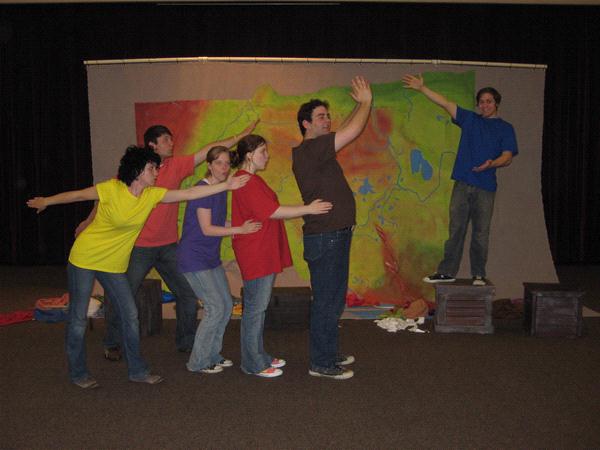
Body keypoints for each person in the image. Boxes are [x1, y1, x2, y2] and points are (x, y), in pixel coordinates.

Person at [27, 146, 249, 389]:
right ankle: (78, 372)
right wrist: (46, 201)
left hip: (113, 265)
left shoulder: (151, 195)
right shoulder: (112, 189)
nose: (156, 172)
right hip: (84, 258)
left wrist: (226, 186)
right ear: (137, 171)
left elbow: (190, 194)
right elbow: (78, 195)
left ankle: (137, 370)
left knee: (131, 314)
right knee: (78, 319)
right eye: (152, 168)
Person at [77, 121, 257, 359]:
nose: (171, 143)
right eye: (166, 140)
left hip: (169, 246)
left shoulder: (177, 165)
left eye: (171, 139)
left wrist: (241, 135)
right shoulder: (135, 171)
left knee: (187, 294)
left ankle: (187, 342)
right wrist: (88, 221)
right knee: (122, 295)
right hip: (140, 247)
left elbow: (208, 150)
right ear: (152, 144)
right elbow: (105, 197)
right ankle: (112, 342)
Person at [231, 134, 333, 378]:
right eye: (263, 151)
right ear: (249, 155)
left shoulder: (250, 180)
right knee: (255, 309)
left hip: (261, 250)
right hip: (255, 253)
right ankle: (252, 363)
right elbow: (273, 211)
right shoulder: (245, 181)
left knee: (259, 307)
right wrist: (307, 209)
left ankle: (259, 355)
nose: (267, 156)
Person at [402, 74, 518, 286]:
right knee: (456, 229)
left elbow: (508, 157)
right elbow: (445, 103)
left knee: (481, 233)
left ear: (497, 104)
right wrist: (421, 88)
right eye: (481, 102)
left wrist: (491, 164)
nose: (484, 105)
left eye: (489, 101)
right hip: (462, 184)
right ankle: (446, 272)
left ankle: (479, 275)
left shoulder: (505, 128)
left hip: (486, 187)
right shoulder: (469, 119)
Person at [292, 76, 372, 380]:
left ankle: (327, 352)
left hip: (332, 235)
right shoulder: (310, 150)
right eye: (321, 117)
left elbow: (343, 130)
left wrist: (356, 106)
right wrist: (366, 103)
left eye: (328, 116)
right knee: (327, 301)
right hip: (326, 238)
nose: (327, 121)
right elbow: (352, 132)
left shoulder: (319, 148)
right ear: (305, 124)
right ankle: (321, 363)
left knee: (332, 299)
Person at [177, 146, 261, 374]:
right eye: (218, 163)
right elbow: (206, 228)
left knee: (225, 306)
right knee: (215, 308)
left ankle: (212, 354)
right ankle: (198, 362)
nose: (223, 168)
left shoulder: (222, 189)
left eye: (226, 163)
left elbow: (219, 221)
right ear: (209, 165)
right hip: (193, 258)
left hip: (209, 257)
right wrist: (239, 229)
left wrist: (239, 227)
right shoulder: (202, 190)